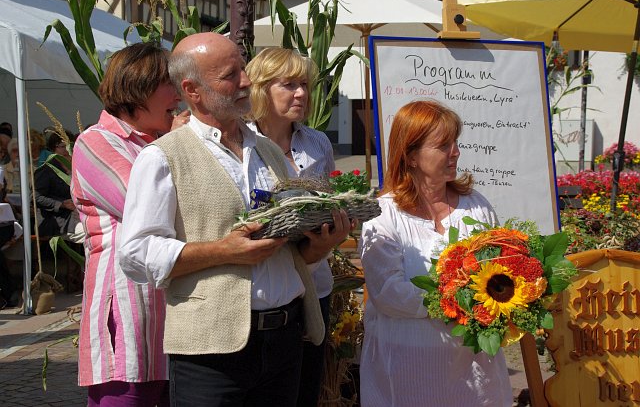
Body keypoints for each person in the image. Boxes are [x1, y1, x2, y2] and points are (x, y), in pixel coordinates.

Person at [119, 33, 353, 407]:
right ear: (192, 90)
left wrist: (318, 246)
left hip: (284, 341)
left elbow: (288, 253)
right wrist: (224, 251)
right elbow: (136, 253)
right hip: (211, 350)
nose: (245, 81)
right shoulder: (162, 157)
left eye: (242, 69)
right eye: (231, 75)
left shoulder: (268, 152)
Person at [358, 100, 512, 407]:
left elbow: (500, 268)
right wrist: (459, 299)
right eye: (443, 145)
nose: (455, 152)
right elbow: (389, 294)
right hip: (406, 374)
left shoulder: (476, 206)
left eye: (455, 142)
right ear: (411, 156)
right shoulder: (383, 216)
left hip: (475, 375)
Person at [71, 42, 185, 406]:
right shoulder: (95, 142)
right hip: (128, 316)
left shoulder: (159, 142)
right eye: (169, 84)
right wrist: (180, 142)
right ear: (138, 87)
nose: (179, 95)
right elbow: (148, 206)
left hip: (172, 318)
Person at [245, 47, 335, 407]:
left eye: (305, 85)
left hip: (316, 282)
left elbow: (328, 201)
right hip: (268, 289)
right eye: (289, 85)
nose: (301, 93)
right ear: (260, 89)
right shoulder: (243, 144)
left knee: (305, 389)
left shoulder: (317, 143)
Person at [33, 132, 76, 237]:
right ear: (53, 149)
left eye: (70, 146)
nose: (67, 150)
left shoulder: (78, 168)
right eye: (62, 146)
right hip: (56, 221)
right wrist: (61, 204)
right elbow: (35, 197)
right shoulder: (46, 170)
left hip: (77, 217)